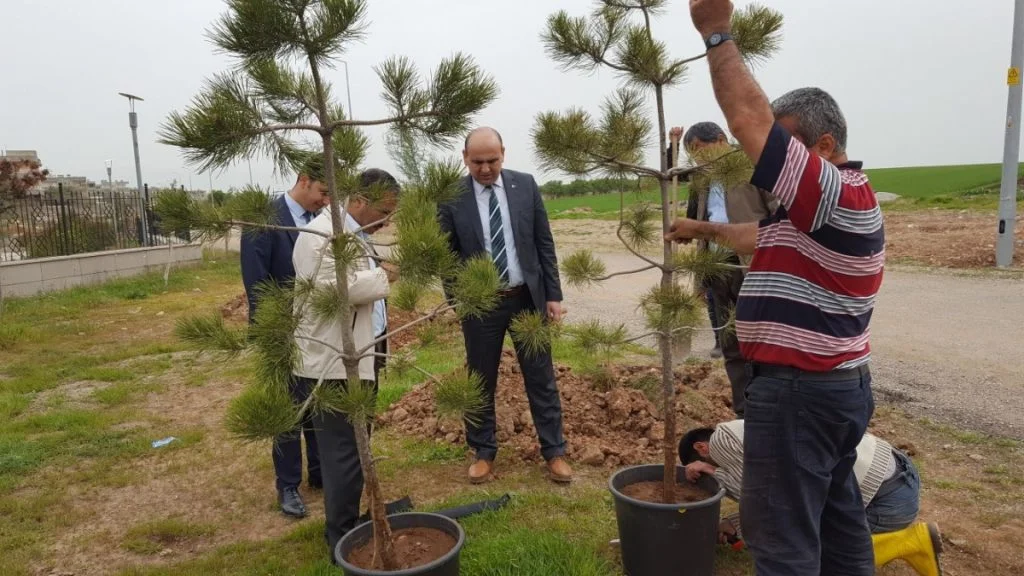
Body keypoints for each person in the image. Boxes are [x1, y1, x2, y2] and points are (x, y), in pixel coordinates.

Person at [669, 2, 887, 573]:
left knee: (781, 538)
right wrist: (704, 229)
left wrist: (715, 33)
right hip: (833, 391)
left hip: (801, 395)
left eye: (782, 150)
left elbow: (748, 117)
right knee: (837, 527)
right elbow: (758, 234)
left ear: (821, 149)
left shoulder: (832, 192)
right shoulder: (814, 210)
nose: (763, 164)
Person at [438, 127, 572, 485]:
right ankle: (483, 452)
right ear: (465, 158)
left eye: (492, 160)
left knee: (541, 377)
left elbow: (544, 243)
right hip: (481, 305)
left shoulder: (525, 185)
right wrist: (459, 300)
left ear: (504, 154)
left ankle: (554, 450)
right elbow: (446, 256)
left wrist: (553, 296)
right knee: (481, 379)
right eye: (478, 161)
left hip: (527, 298)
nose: (485, 168)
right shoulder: (452, 197)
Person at [292, 168, 400, 556]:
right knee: (343, 452)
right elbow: (327, 290)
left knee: (357, 445)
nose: (388, 221)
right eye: (384, 210)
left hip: (357, 355)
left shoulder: (352, 235)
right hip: (335, 361)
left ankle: (353, 520)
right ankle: (340, 536)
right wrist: (382, 278)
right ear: (358, 201)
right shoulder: (322, 234)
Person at [680, 422, 943, 576]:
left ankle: (909, 542)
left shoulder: (721, 440)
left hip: (886, 499)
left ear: (701, 448)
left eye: (698, 467)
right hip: (896, 473)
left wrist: (713, 471)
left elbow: (768, 503)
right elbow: (782, 495)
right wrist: (734, 524)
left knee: (812, 556)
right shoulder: (749, 427)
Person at [240, 155, 330, 518]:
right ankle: (288, 485)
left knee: (320, 404)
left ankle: (322, 473)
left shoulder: (323, 221)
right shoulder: (264, 219)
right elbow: (257, 284)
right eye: (322, 192)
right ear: (304, 180)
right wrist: (276, 335)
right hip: (282, 332)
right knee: (288, 412)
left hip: (320, 332)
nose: (325, 201)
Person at [669, 122, 778, 416]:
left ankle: (768, 411)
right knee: (731, 345)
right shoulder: (703, 178)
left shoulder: (754, 164)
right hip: (716, 266)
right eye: (692, 155)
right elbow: (692, 209)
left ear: (720, 140)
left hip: (751, 265)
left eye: (701, 151)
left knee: (760, 341)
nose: (699, 160)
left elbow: (778, 213)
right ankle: (744, 413)